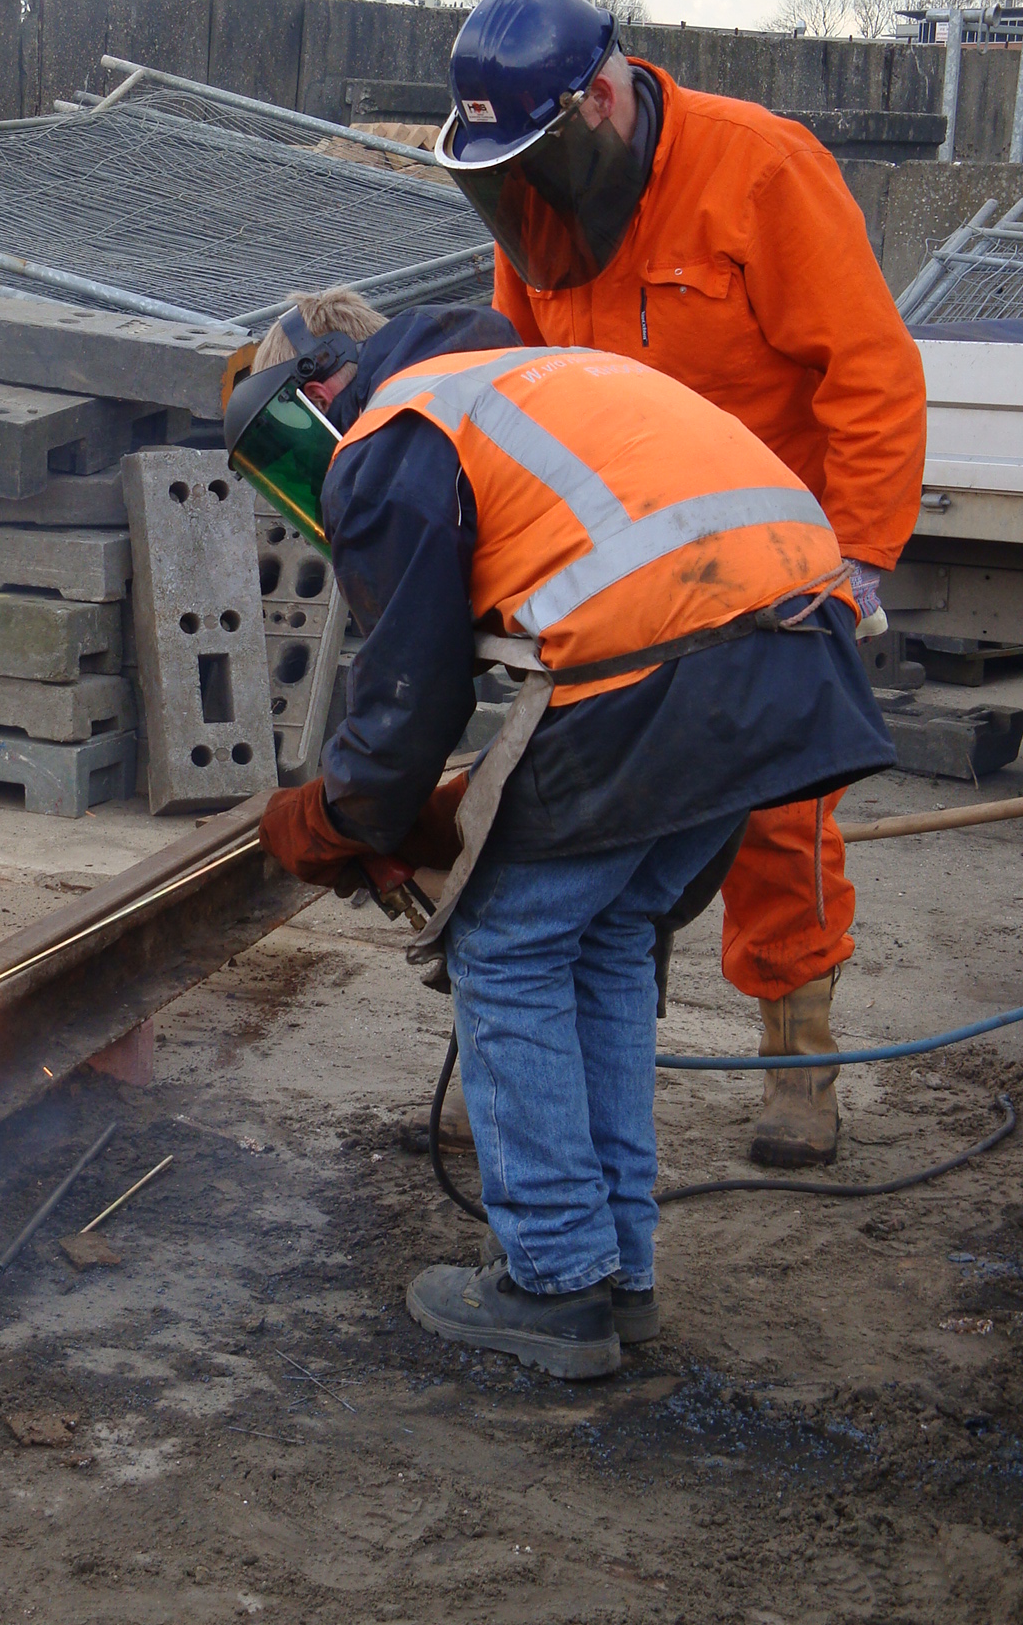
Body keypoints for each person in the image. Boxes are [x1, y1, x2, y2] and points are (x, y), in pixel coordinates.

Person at [226, 288, 893, 1379]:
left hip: (680, 663)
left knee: (510, 945)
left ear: (322, 386)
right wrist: (416, 808)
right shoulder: (529, 377)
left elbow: (406, 693)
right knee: (605, 937)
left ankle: (555, 1282)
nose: (312, 481)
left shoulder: (404, 426)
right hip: (793, 663)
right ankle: (619, 1271)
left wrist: (348, 816)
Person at [434, 0, 926, 1168]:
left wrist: (856, 561)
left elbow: (871, 374)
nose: (531, 200)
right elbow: (522, 382)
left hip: (767, 565)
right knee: (581, 815)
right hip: (614, 577)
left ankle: (798, 1058)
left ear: (601, 93)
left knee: (777, 813)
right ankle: (548, 1060)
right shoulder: (539, 213)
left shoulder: (761, 171)